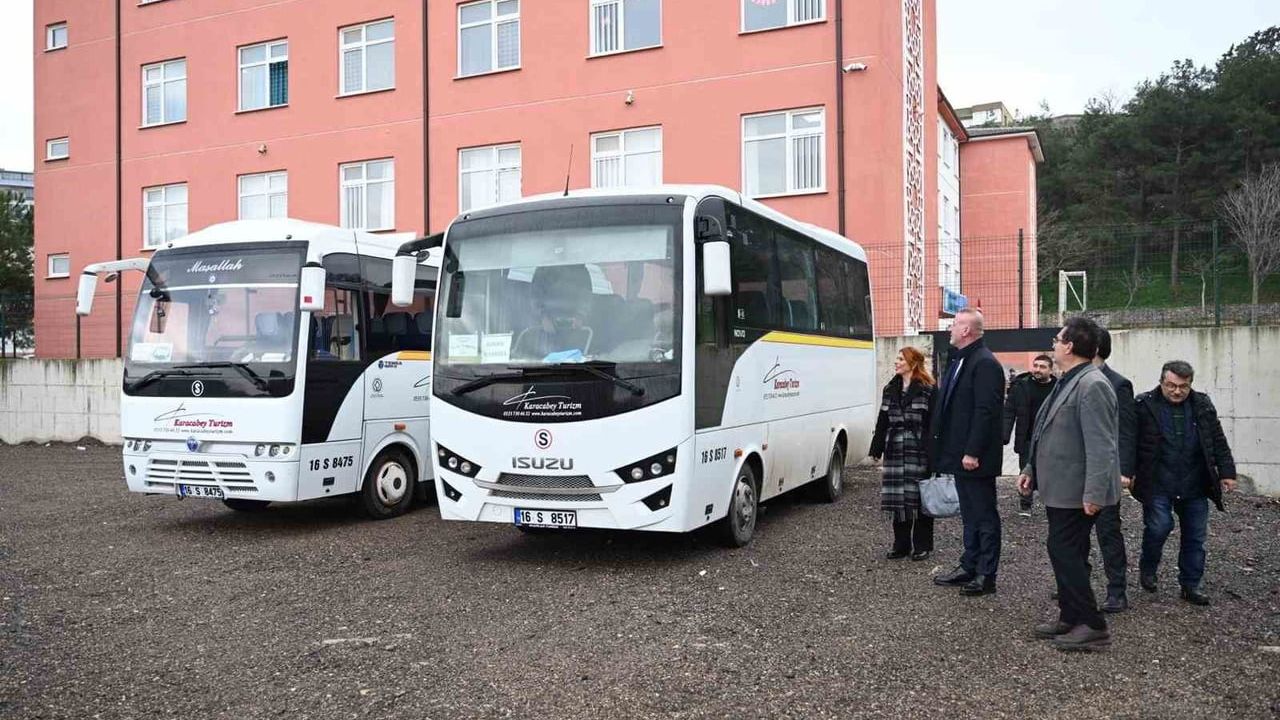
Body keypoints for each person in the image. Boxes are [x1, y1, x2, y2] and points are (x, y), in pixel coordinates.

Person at [1018, 316, 1119, 652]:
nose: (1053, 344)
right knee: (1065, 551)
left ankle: (1093, 625)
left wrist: (1093, 493)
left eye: (1058, 339)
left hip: (1077, 493)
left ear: (1071, 346)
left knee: (1065, 551)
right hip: (1061, 488)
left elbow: (1102, 445)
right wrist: (1032, 467)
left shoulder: (1093, 385)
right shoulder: (1069, 380)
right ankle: (1070, 616)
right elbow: (1047, 428)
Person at [1132, 361, 1237, 606]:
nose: (1177, 391)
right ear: (1161, 382)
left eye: (1183, 386)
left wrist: (1227, 472)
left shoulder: (1202, 405)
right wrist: (1129, 471)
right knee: (1159, 526)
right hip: (1157, 481)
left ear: (1191, 384)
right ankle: (1148, 566)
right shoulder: (1144, 405)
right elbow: (1130, 441)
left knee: (1195, 537)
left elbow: (1217, 439)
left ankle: (1191, 584)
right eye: (1171, 385)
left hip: (1195, 482)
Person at [930, 308, 1006, 597]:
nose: (950, 328)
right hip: (960, 455)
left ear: (967, 331)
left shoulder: (985, 363)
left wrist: (972, 451)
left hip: (976, 458)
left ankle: (987, 574)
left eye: (955, 324)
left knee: (984, 515)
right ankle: (969, 565)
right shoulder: (960, 360)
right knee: (970, 514)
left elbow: (985, 412)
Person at [869, 347, 937, 562]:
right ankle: (901, 545)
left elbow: (935, 424)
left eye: (900, 359)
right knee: (898, 499)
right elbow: (882, 420)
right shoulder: (890, 388)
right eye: (896, 358)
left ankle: (922, 545)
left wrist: (935, 453)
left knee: (921, 499)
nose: (896, 362)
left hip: (919, 450)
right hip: (895, 450)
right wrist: (876, 449)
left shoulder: (928, 389)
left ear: (913, 362)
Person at [1091, 328, 1136, 612]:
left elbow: (1127, 431)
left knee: (1108, 532)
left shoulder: (1118, 384)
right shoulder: (1068, 381)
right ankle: (1075, 585)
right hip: (1076, 472)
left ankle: (1117, 590)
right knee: (1074, 534)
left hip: (1106, 473)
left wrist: (1125, 470)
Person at [1003, 354, 1057, 513]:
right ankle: (1025, 505)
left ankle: (1052, 504)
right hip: (1027, 437)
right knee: (1025, 470)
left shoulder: (1058, 387)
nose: (1038, 370)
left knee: (1051, 472)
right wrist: (1004, 435)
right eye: (1036, 366)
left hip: (1051, 438)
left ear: (1050, 369)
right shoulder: (1021, 386)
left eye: (1042, 367)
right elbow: (1009, 411)